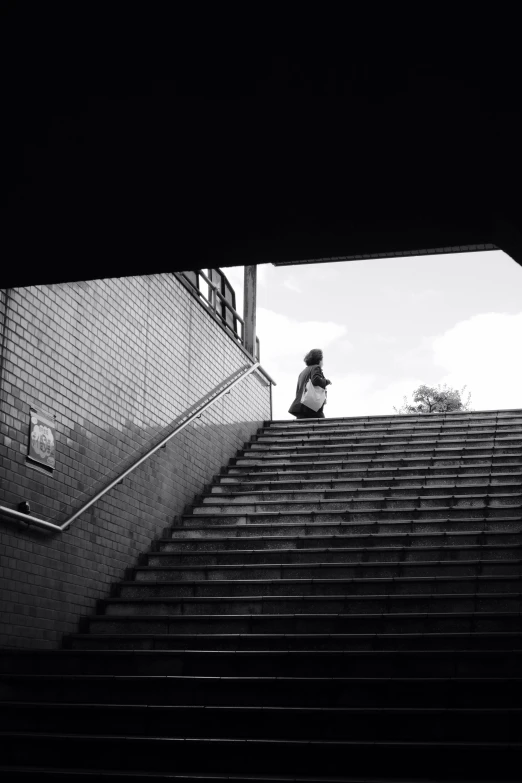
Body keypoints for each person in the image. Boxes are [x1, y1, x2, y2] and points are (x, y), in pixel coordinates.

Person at [288, 348, 332, 420]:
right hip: (311, 406)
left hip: (301, 406)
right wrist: (327, 381)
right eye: (322, 359)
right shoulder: (316, 367)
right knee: (322, 425)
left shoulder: (303, 372)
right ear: (319, 359)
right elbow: (315, 380)